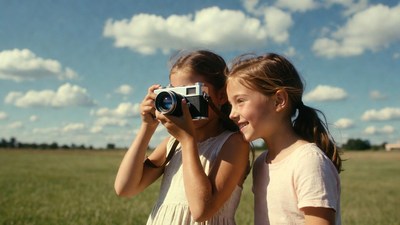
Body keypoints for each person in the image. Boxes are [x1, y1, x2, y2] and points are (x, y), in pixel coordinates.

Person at [114, 50, 250, 225]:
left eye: (190, 92)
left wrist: (187, 140)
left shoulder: (233, 143)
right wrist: (147, 127)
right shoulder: (172, 144)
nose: (182, 102)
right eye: (175, 93)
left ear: (221, 95)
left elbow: (201, 212)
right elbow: (125, 188)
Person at [226, 53, 342, 225]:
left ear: (279, 100)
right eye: (230, 105)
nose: (232, 114)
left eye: (240, 101)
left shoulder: (308, 161)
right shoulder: (261, 163)